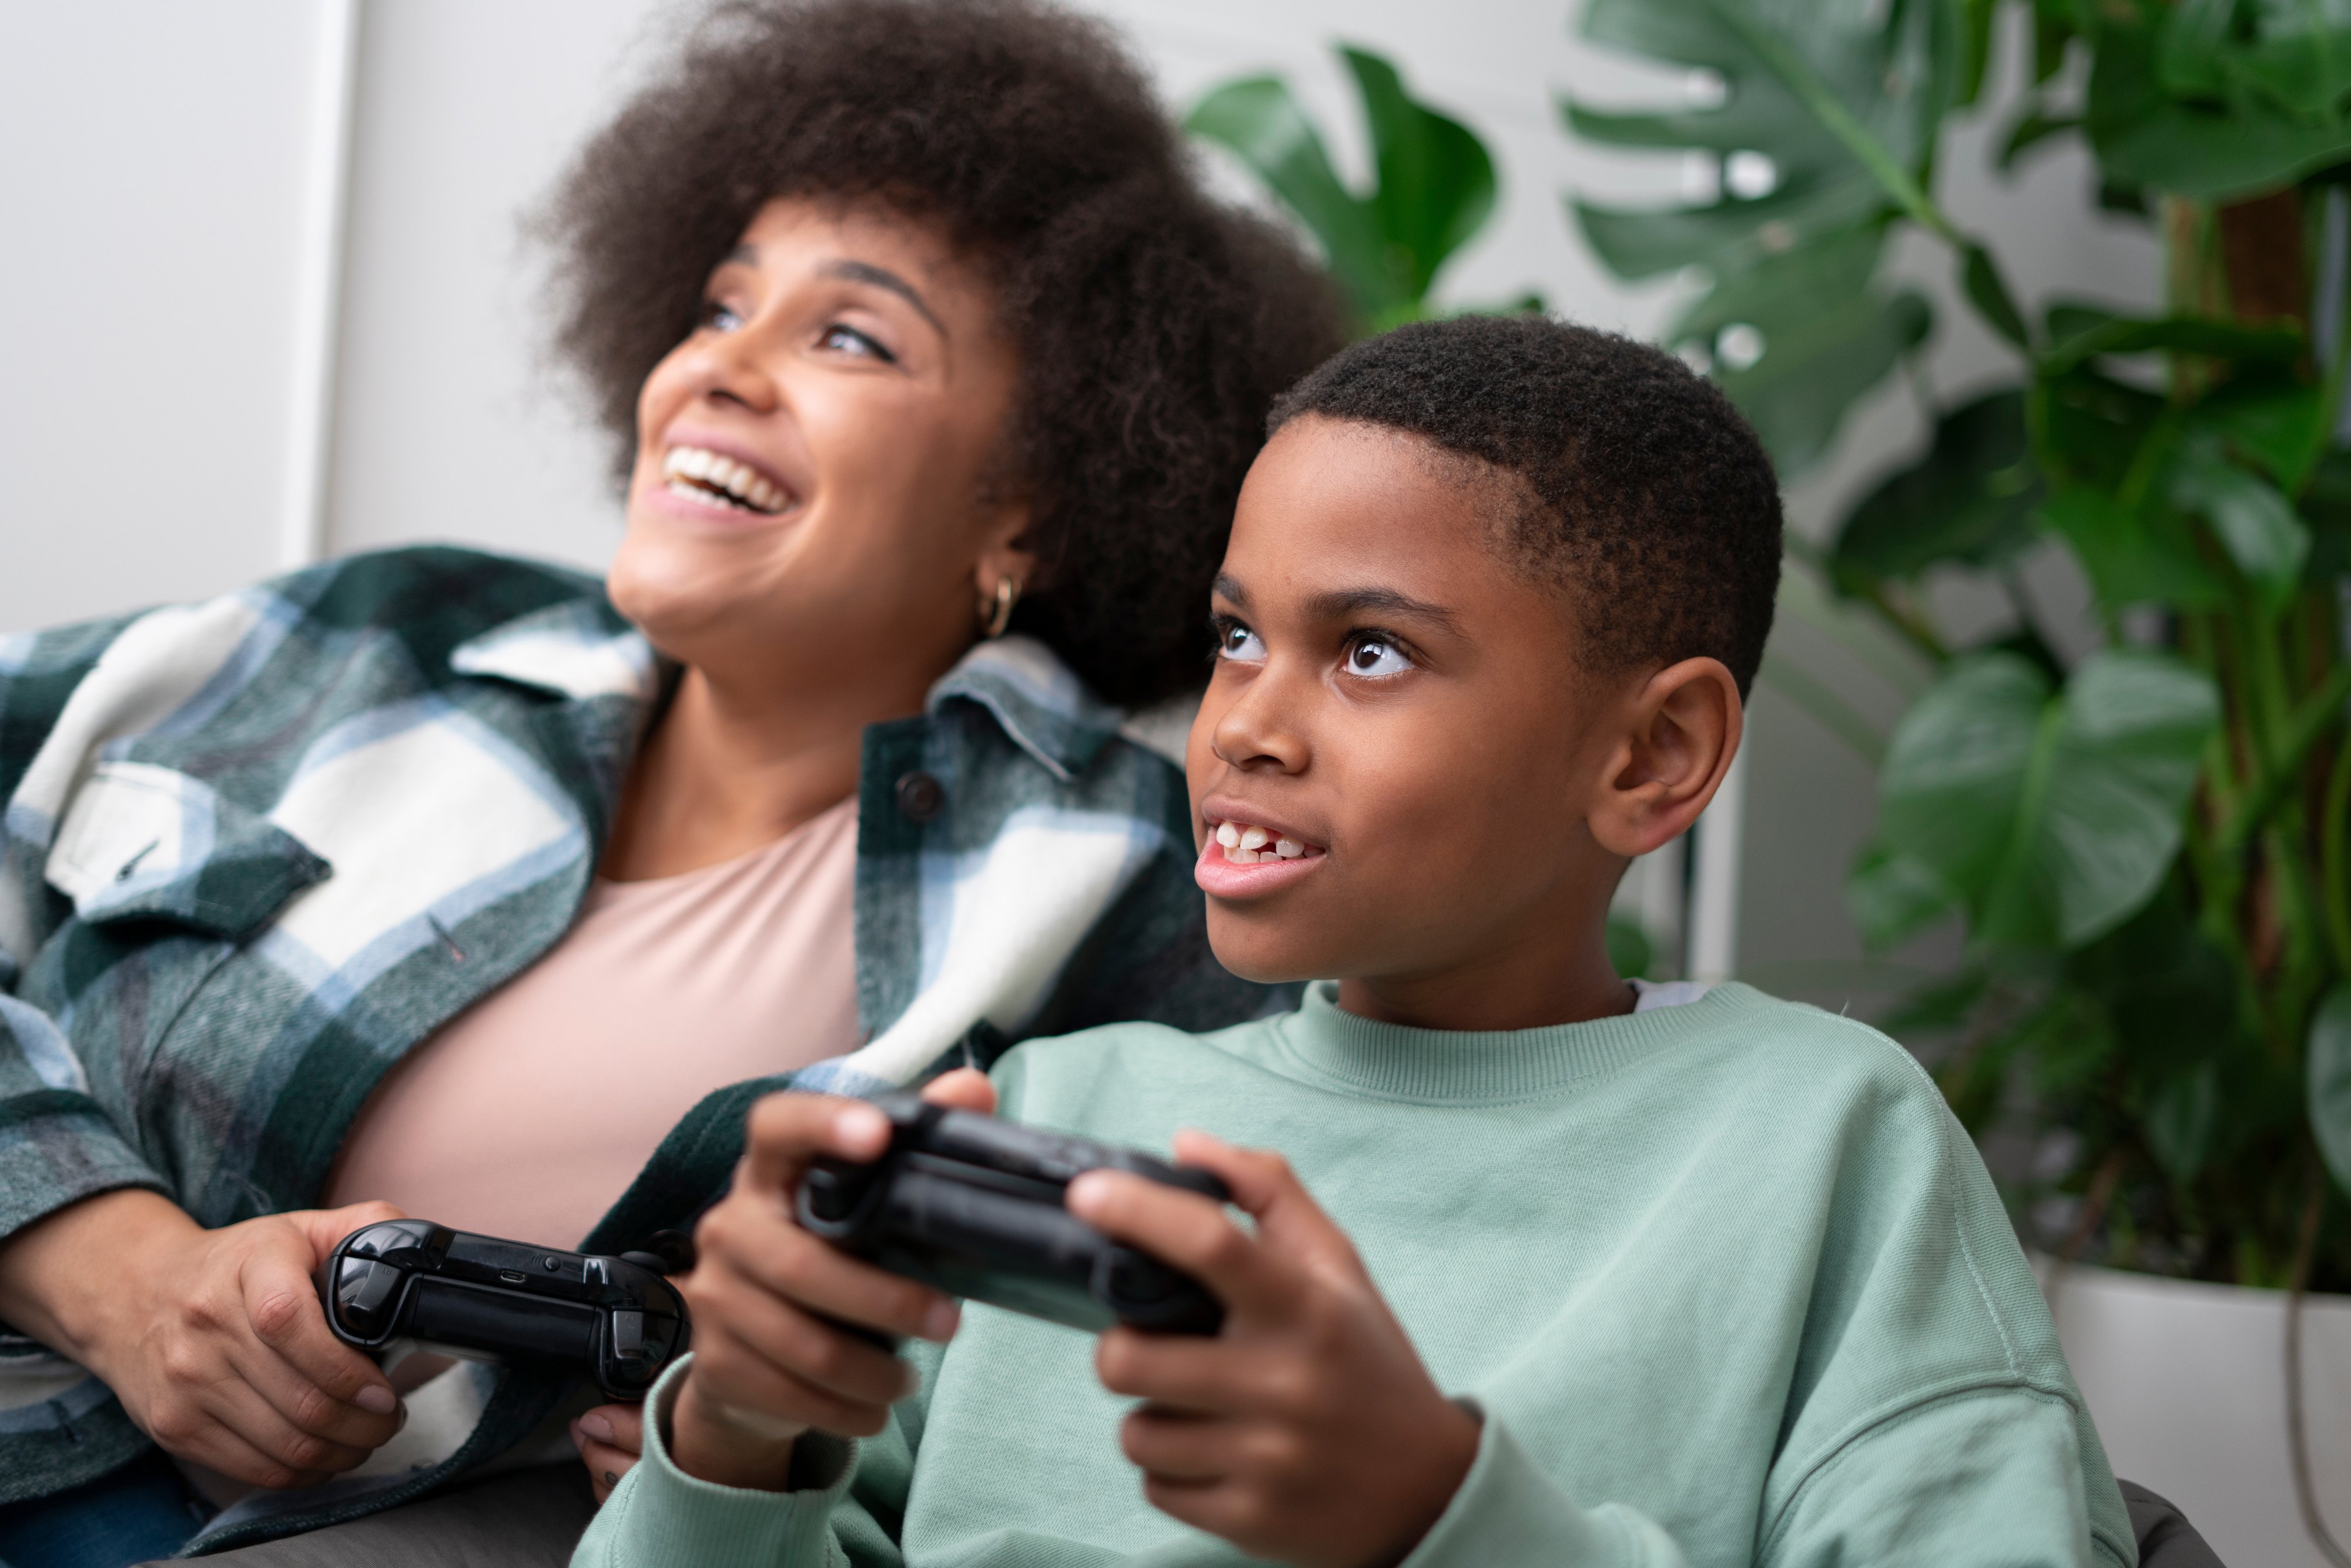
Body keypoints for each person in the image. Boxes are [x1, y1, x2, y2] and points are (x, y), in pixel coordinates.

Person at [0, 1, 1343, 1562]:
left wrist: (781, 1433)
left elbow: (1180, 1360)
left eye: (850, 336)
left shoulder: (1135, 883)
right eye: (719, 306)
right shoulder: (371, 636)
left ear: (1031, 510)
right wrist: (111, 1269)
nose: (720, 370)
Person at [576, 316, 2139, 1568]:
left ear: (1652, 755)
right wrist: (735, 1435)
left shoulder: (1823, 1137)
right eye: (1237, 635)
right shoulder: (1060, 1108)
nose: (1244, 723)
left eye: (1371, 651)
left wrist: (1433, 1510)